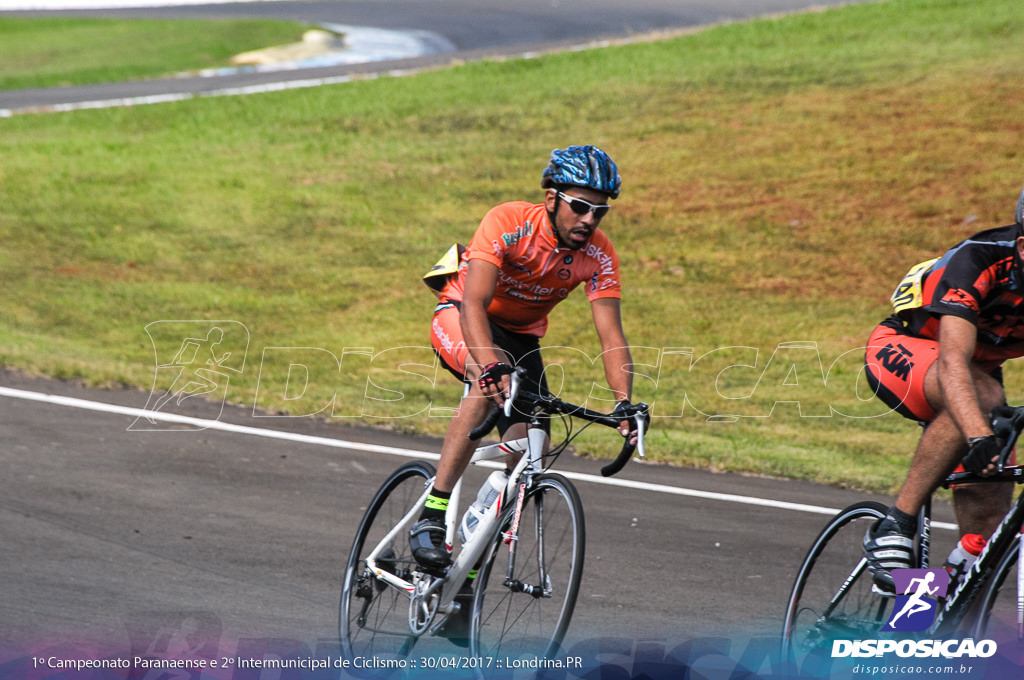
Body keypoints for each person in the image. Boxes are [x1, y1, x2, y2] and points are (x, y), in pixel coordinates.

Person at [413, 145, 641, 573]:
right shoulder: (509, 222)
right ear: (552, 199)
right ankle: (432, 513)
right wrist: (490, 364)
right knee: (488, 382)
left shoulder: (599, 254)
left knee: (530, 456)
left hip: (521, 341)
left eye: (600, 211)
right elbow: (475, 304)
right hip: (464, 316)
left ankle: (467, 581)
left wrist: (624, 402)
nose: (589, 220)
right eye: (580, 207)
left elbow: (611, 334)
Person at [862, 184, 1024, 591]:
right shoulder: (979, 259)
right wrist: (978, 436)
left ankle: (937, 636)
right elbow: (953, 362)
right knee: (981, 402)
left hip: (983, 372)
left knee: (987, 533)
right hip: (909, 349)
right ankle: (895, 524)